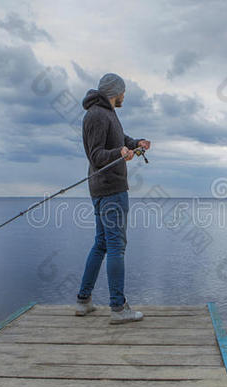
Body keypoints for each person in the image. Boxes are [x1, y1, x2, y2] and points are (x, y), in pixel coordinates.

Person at [75, 73, 151, 324]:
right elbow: (96, 155)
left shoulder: (106, 113)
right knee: (116, 246)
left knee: (101, 244)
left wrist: (135, 143)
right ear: (114, 92)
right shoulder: (97, 115)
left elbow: (119, 140)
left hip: (102, 190)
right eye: (123, 91)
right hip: (110, 190)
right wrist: (118, 152)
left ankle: (84, 302)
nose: (124, 95)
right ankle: (118, 308)